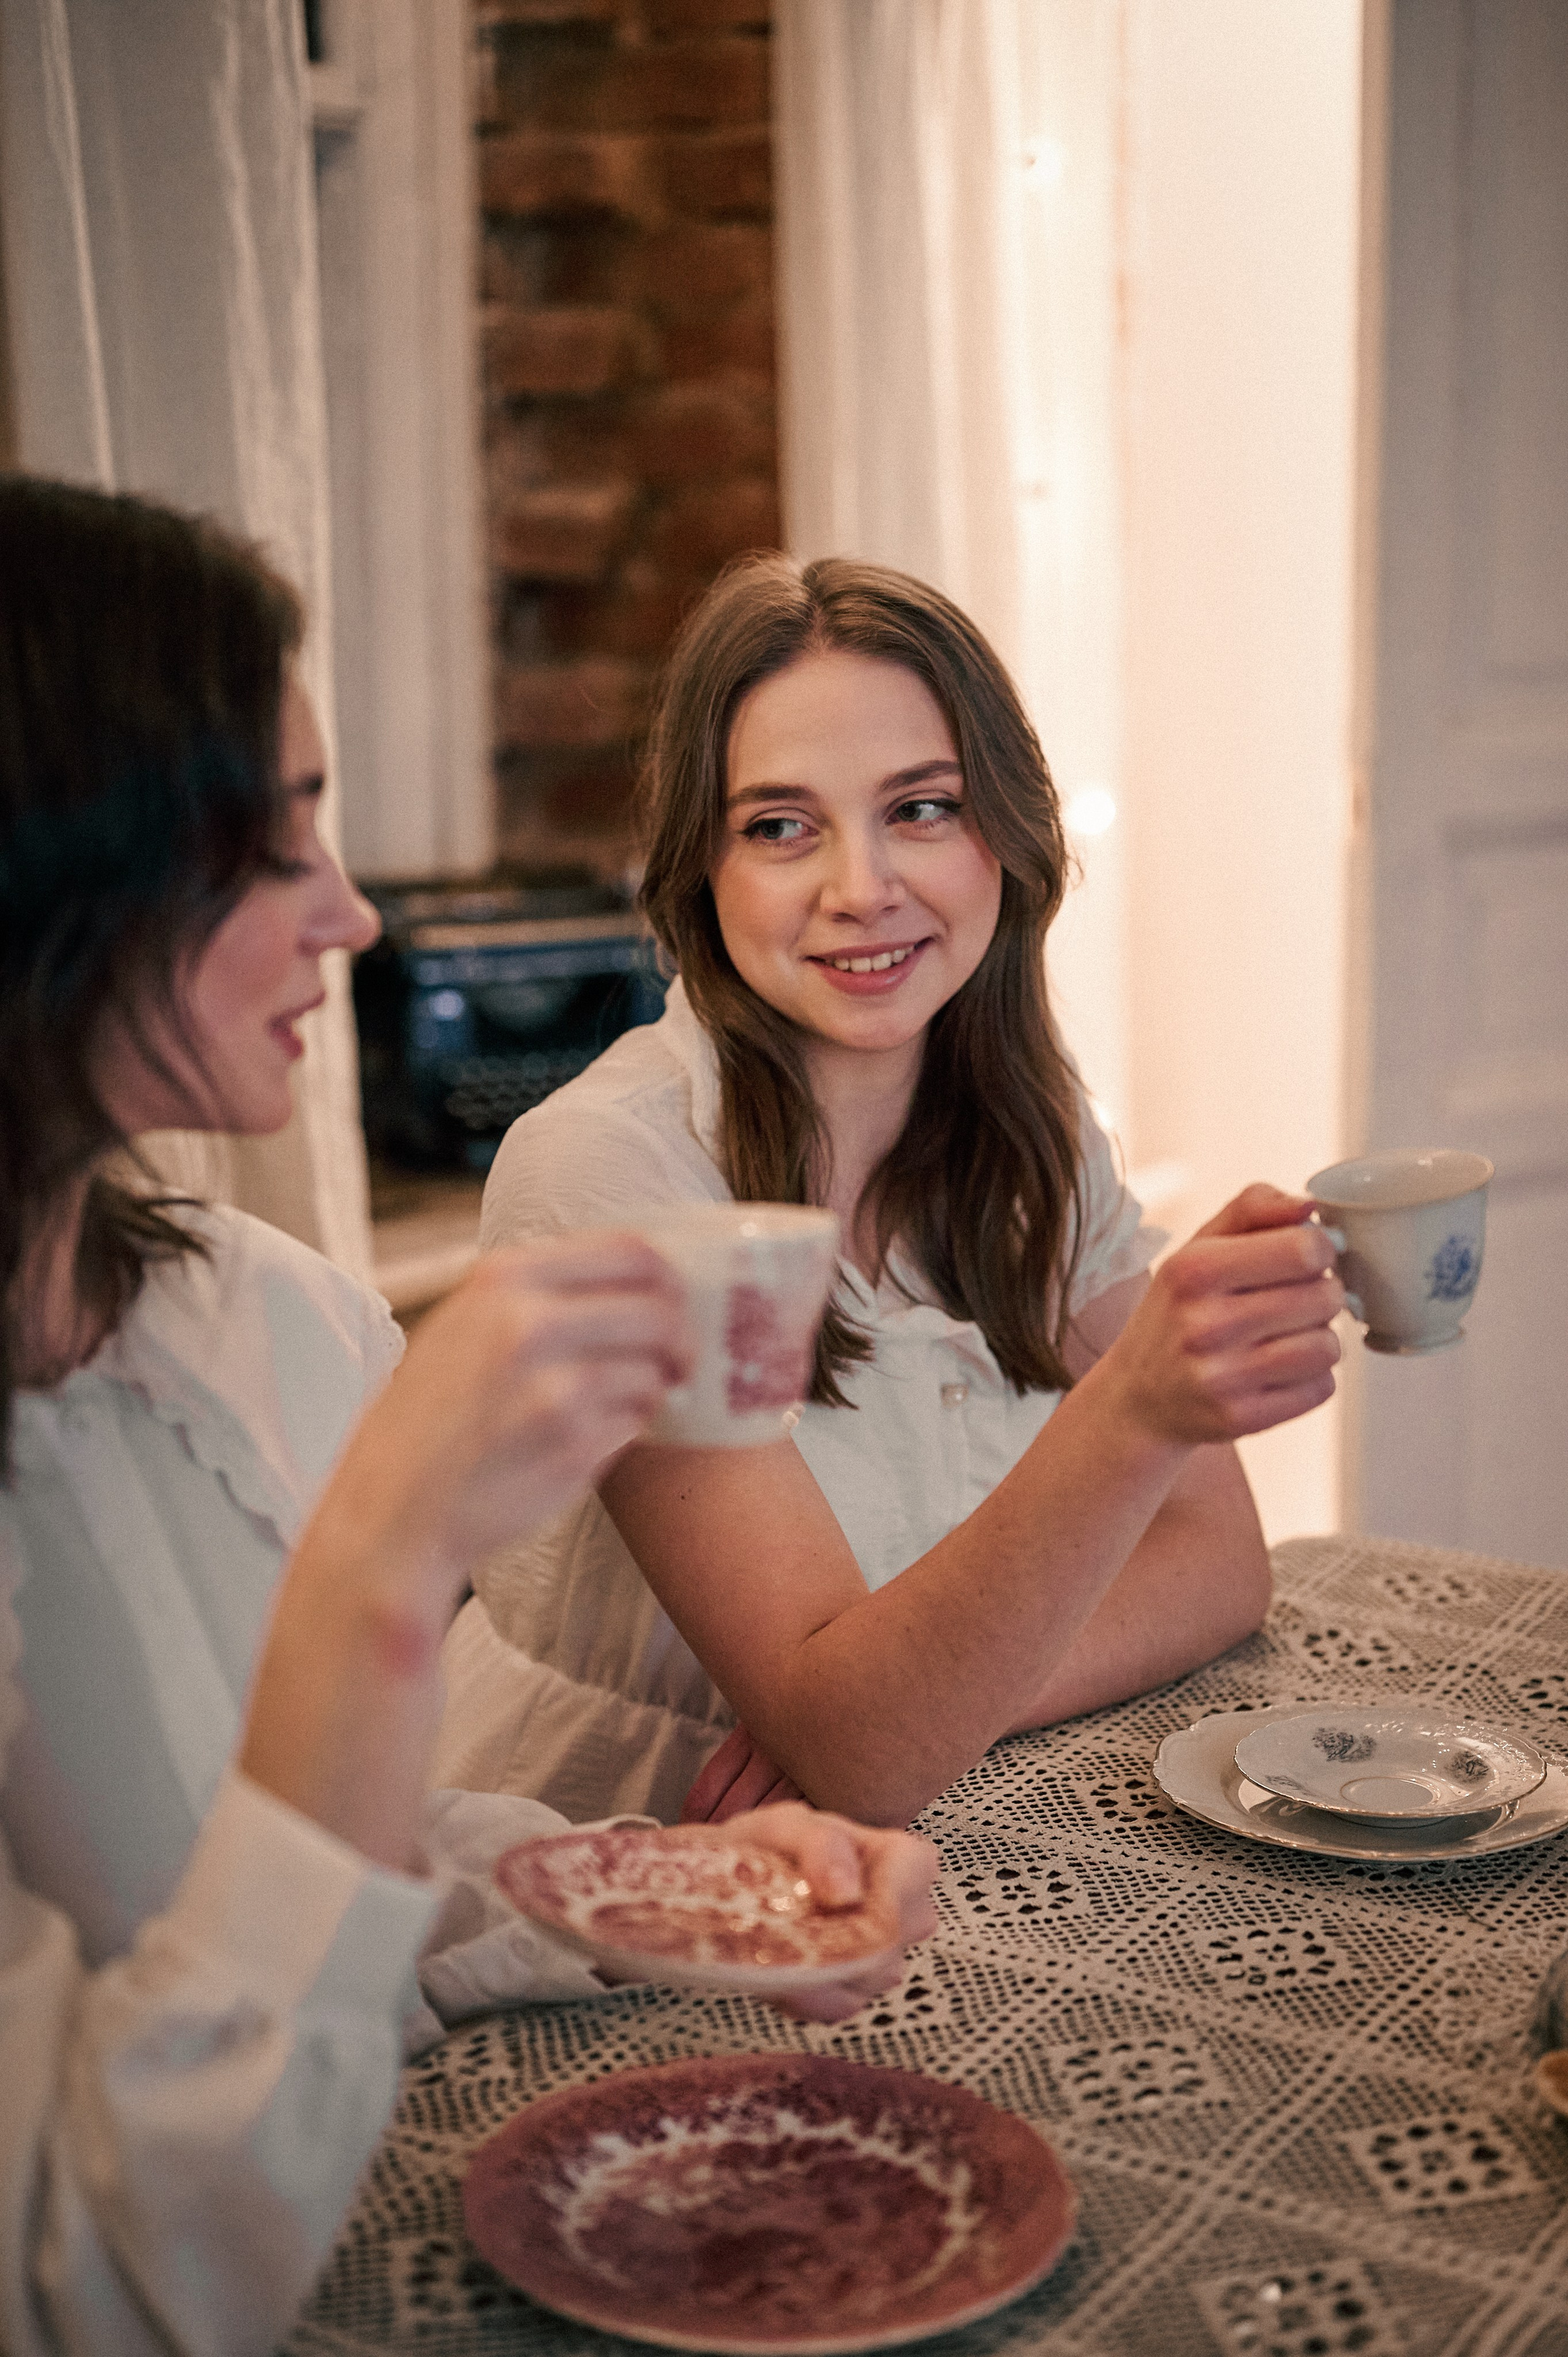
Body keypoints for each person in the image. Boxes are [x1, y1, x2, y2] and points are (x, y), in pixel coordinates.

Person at [0, 480, 938, 2357]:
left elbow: (313, 1857)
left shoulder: (264, 1323)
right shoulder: (589, 1171)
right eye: (267, 848)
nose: (350, 913)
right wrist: (383, 1561)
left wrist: (636, 1881)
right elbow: (102, 2287)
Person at [435, 554, 1346, 1832]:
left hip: (943, 1824)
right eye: (778, 826)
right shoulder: (612, 1177)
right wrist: (1133, 1406)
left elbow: (1217, 1565)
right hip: (634, 1858)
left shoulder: (1026, 1130)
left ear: (1007, 839)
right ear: (703, 869)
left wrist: (922, 1703)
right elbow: (861, 1750)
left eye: (920, 808)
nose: (860, 887)